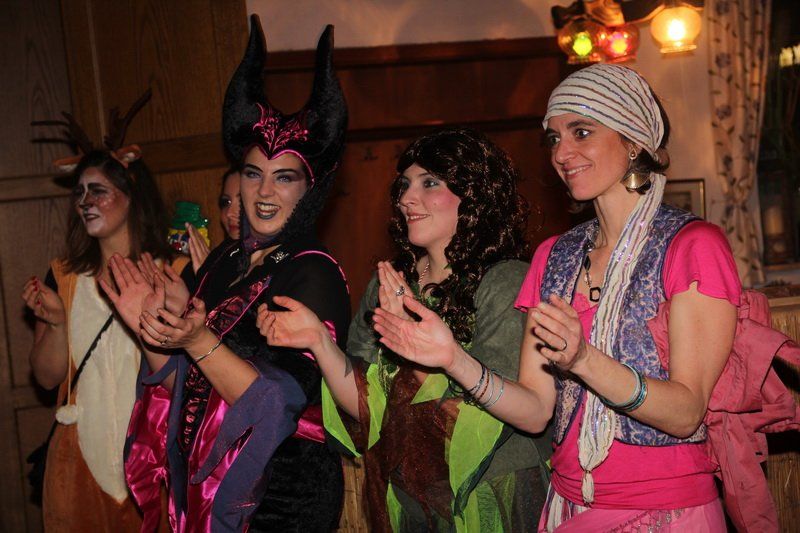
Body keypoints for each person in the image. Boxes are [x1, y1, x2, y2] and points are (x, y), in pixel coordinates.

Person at [371, 64, 742, 531]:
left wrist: (584, 359)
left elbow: (686, 413)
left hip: (666, 510)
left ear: (633, 142)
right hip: (568, 506)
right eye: (553, 138)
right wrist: (452, 359)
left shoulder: (692, 245)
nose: (562, 153)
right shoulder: (555, 256)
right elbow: (534, 412)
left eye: (581, 132)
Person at [104, 16, 350, 531]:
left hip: (280, 496)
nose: (264, 192)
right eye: (253, 174)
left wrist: (197, 339)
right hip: (206, 484)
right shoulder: (224, 259)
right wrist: (152, 328)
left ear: (309, 190)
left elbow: (276, 405)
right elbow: (188, 382)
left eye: (284, 178)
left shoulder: (314, 272)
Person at [259, 128, 552, 531]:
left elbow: (494, 422)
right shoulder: (391, 283)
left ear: (474, 194)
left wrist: (423, 355)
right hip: (413, 498)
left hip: (490, 494)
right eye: (404, 185)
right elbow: (367, 408)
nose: (406, 199)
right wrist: (319, 341)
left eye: (429, 183)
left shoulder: (506, 281)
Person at [22, 94, 175, 531]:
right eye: (80, 192)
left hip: (156, 462)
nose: (85, 201)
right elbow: (47, 378)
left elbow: (190, 375)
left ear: (132, 195)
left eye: (99, 191)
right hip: (78, 467)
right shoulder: (63, 278)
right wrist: (57, 324)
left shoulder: (173, 272)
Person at [184, 166, 241, 273]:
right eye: (226, 202)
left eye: (242, 202)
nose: (229, 213)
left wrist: (209, 277)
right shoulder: (220, 256)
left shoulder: (270, 262)